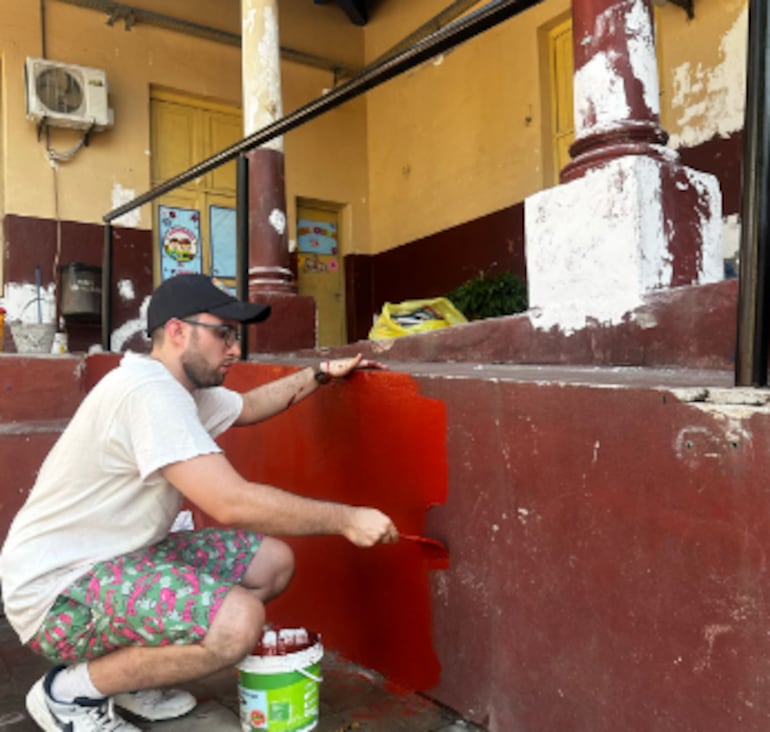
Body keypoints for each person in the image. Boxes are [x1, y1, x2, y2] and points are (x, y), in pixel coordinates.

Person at [0, 273, 399, 732]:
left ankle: (128, 677)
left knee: (271, 563)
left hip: (118, 560)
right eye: (224, 333)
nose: (234, 348)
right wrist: (348, 519)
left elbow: (248, 407)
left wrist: (319, 375)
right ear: (176, 331)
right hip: (56, 593)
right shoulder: (147, 392)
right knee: (237, 623)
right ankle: (68, 696)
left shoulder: (181, 390)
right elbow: (230, 502)